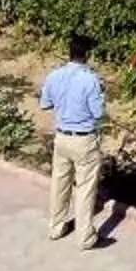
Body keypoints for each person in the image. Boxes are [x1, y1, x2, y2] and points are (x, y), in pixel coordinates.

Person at [41, 32, 109, 247]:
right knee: (85, 188)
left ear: (69, 53)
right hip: (84, 140)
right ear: (87, 55)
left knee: (59, 183)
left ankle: (56, 227)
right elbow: (98, 113)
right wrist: (102, 93)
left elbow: (45, 104)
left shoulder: (54, 75)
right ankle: (85, 236)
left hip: (61, 137)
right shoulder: (90, 80)